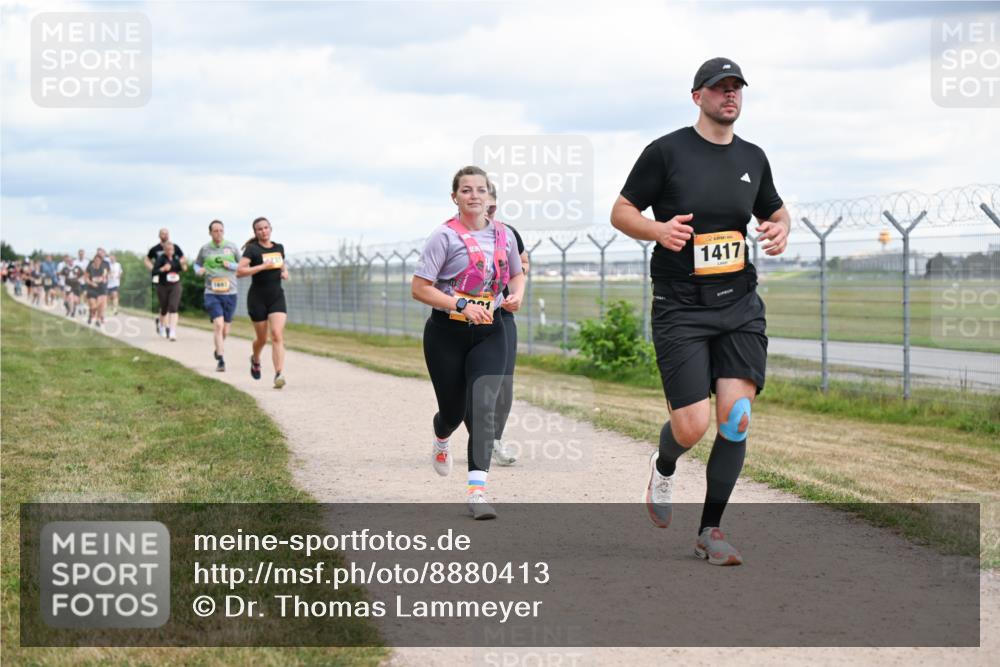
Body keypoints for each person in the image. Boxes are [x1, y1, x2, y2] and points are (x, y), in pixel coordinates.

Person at [610, 58, 790, 566]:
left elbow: (774, 210)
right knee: (691, 427)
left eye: (736, 88)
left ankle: (710, 530)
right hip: (680, 306)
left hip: (738, 303)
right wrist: (658, 230)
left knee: (736, 417)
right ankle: (665, 462)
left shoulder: (754, 157)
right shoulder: (666, 152)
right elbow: (621, 211)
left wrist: (782, 227)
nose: (729, 96)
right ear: (698, 97)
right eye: (719, 88)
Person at [411, 166, 526, 519]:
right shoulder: (443, 237)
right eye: (466, 190)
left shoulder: (505, 235)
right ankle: (441, 435)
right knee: (453, 411)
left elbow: (517, 274)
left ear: (490, 198)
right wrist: (460, 304)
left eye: (480, 190)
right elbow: (420, 288)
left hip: (491, 330)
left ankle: (477, 491)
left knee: (483, 407)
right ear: (455, 197)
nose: (474, 195)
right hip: (446, 333)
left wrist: (517, 295)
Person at [485, 184, 530, 467]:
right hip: (462, 318)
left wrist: (516, 290)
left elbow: (523, 263)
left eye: (491, 204)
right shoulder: (452, 235)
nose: (487, 210)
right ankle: (447, 426)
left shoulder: (508, 234)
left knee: (503, 382)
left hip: (502, 316)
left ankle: (493, 440)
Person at [237, 217, 289, 388]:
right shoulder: (252, 249)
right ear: (255, 232)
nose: (263, 231)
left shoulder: (278, 247)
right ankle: (256, 359)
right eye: (260, 229)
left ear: (270, 229)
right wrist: (261, 267)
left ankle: (278, 374)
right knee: (262, 338)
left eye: (266, 228)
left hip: (276, 297)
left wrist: (285, 272)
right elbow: (240, 271)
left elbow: (281, 263)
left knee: (276, 335)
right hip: (257, 299)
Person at [195, 220, 241, 372]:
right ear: (210, 233)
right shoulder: (205, 249)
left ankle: (218, 349)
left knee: (225, 330)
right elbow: (197, 264)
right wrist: (198, 270)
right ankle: (221, 360)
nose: (218, 233)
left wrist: (232, 265)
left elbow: (242, 265)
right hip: (212, 292)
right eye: (215, 231)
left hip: (230, 293)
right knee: (219, 325)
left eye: (221, 230)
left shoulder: (232, 247)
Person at [146, 229, 185, 336]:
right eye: (163, 233)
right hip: (161, 279)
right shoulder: (155, 249)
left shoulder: (176, 247)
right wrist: (157, 269)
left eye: (167, 233)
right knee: (164, 306)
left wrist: (175, 266)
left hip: (174, 280)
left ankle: (169, 328)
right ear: (159, 235)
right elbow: (147, 260)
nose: (165, 235)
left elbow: (183, 259)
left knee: (172, 306)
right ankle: (163, 325)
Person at [153, 241, 187, 340]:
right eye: (168, 249)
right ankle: (162, 327)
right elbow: (154, 271)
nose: (170, 251)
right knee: (164, 309)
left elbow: (181, 268)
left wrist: (184, 267)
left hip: (175, 285)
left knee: (173, 307)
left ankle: (172, 331)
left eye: (171, 249)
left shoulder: (176, 258)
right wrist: (162, 269)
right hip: (163, 286)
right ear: (164, 250)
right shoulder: (160, 259)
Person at [84, 254, 109, 327]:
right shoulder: (90, 268)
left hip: (101, 289)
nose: (97, 261)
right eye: (96, 260)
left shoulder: (103, 269)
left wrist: (103, 279)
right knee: (93, 306)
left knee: (100, 307)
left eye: (98, 260)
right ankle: (90, 314)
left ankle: (97, 320)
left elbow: (105, 277)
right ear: (94, 260)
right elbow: (86, 278)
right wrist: (91, 283)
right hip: (92, 289)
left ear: (101, 261)